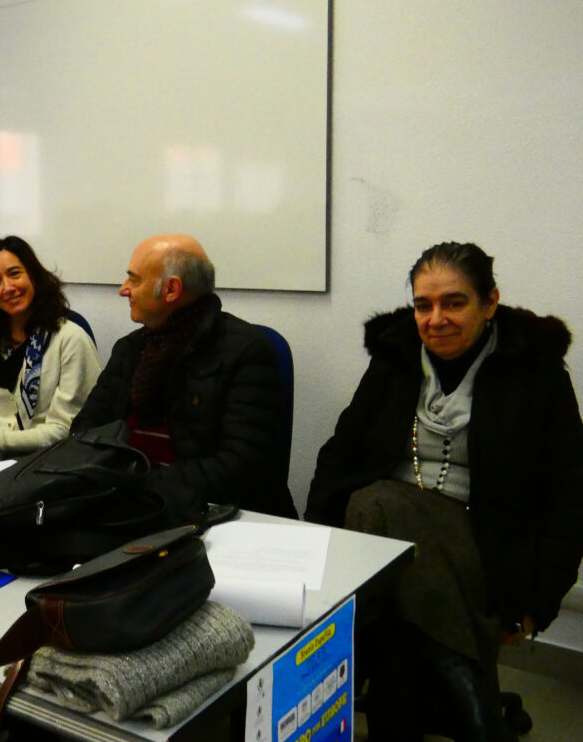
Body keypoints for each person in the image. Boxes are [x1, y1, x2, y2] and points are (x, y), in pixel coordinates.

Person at [305, 241, 583, 742]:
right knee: (384, 531)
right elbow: (340, 452)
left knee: (378, 505)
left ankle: (397, 720)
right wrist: (319, 548)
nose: (436, 319)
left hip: (487, 545)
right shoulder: (395, 360)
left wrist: (539, 601)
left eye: (454, 303)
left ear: (489, 302)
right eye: (423, 305)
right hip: (390, 545)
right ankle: (475, 713)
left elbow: (571, 492)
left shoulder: (534, 372)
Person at [71, 234, 296, 523]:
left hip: (208, 513)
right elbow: (85, 429)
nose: (123, 289)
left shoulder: (247, 352)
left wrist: (136, 484)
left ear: (171, 289)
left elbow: (240, 466)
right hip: (125, 505)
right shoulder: (131, 348)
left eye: (134, 280)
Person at [0, 236, 100, 456]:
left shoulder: (70, 339)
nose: (7, 287)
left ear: (34, 275)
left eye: (14, 274)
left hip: (47, 455)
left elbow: (67, 429)